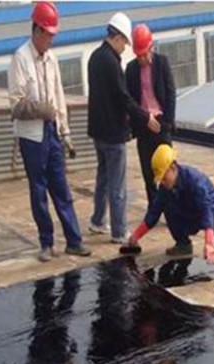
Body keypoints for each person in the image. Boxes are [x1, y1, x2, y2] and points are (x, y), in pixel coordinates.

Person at [8, 1, 91, 262]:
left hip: (52, 131)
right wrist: (41, 110)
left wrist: (65, 132)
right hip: (31, 136)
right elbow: (16, 104)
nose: (50, 40)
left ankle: (74, 241)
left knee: (61, 187)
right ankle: (46, 242)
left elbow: (59, 97)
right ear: (37, 31)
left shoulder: (51, 59)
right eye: (48, 35)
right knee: (39, 190)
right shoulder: (20, 59)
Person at [87, 13, 161, 244]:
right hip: (112, 132)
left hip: (98, 130)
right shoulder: (111, 62)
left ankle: (97, 220)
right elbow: (123, 98)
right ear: (117, 37)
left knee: (103, 177)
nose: (125, 48)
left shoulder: (95, 57)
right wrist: (145, 117)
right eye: (125, 43)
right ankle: (119, 231)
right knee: (117, 184)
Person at [125, 144, 214, 278]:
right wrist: (135, 236)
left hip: (209, 208)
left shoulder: (194, 179)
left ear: (173, 167)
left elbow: (205, 209)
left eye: (164, 178)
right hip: (189, 210)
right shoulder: (165, 189)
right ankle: (183, 244)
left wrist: (209, 243)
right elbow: (154, 212)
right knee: (168, 207)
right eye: (160, 179)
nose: (162, 182)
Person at [125, 24, 176, 209]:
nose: (142, 59)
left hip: (161, 122)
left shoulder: (162, 63)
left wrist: (168, 122)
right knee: (148, 172)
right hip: (143, 123)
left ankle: (172, 208)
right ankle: (153, 209)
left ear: (151, 48)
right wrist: (139, 121)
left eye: (145, 54)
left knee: (167, 168)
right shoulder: (131, 69)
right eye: (139, 56)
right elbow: (129, 99)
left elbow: (170, 92)